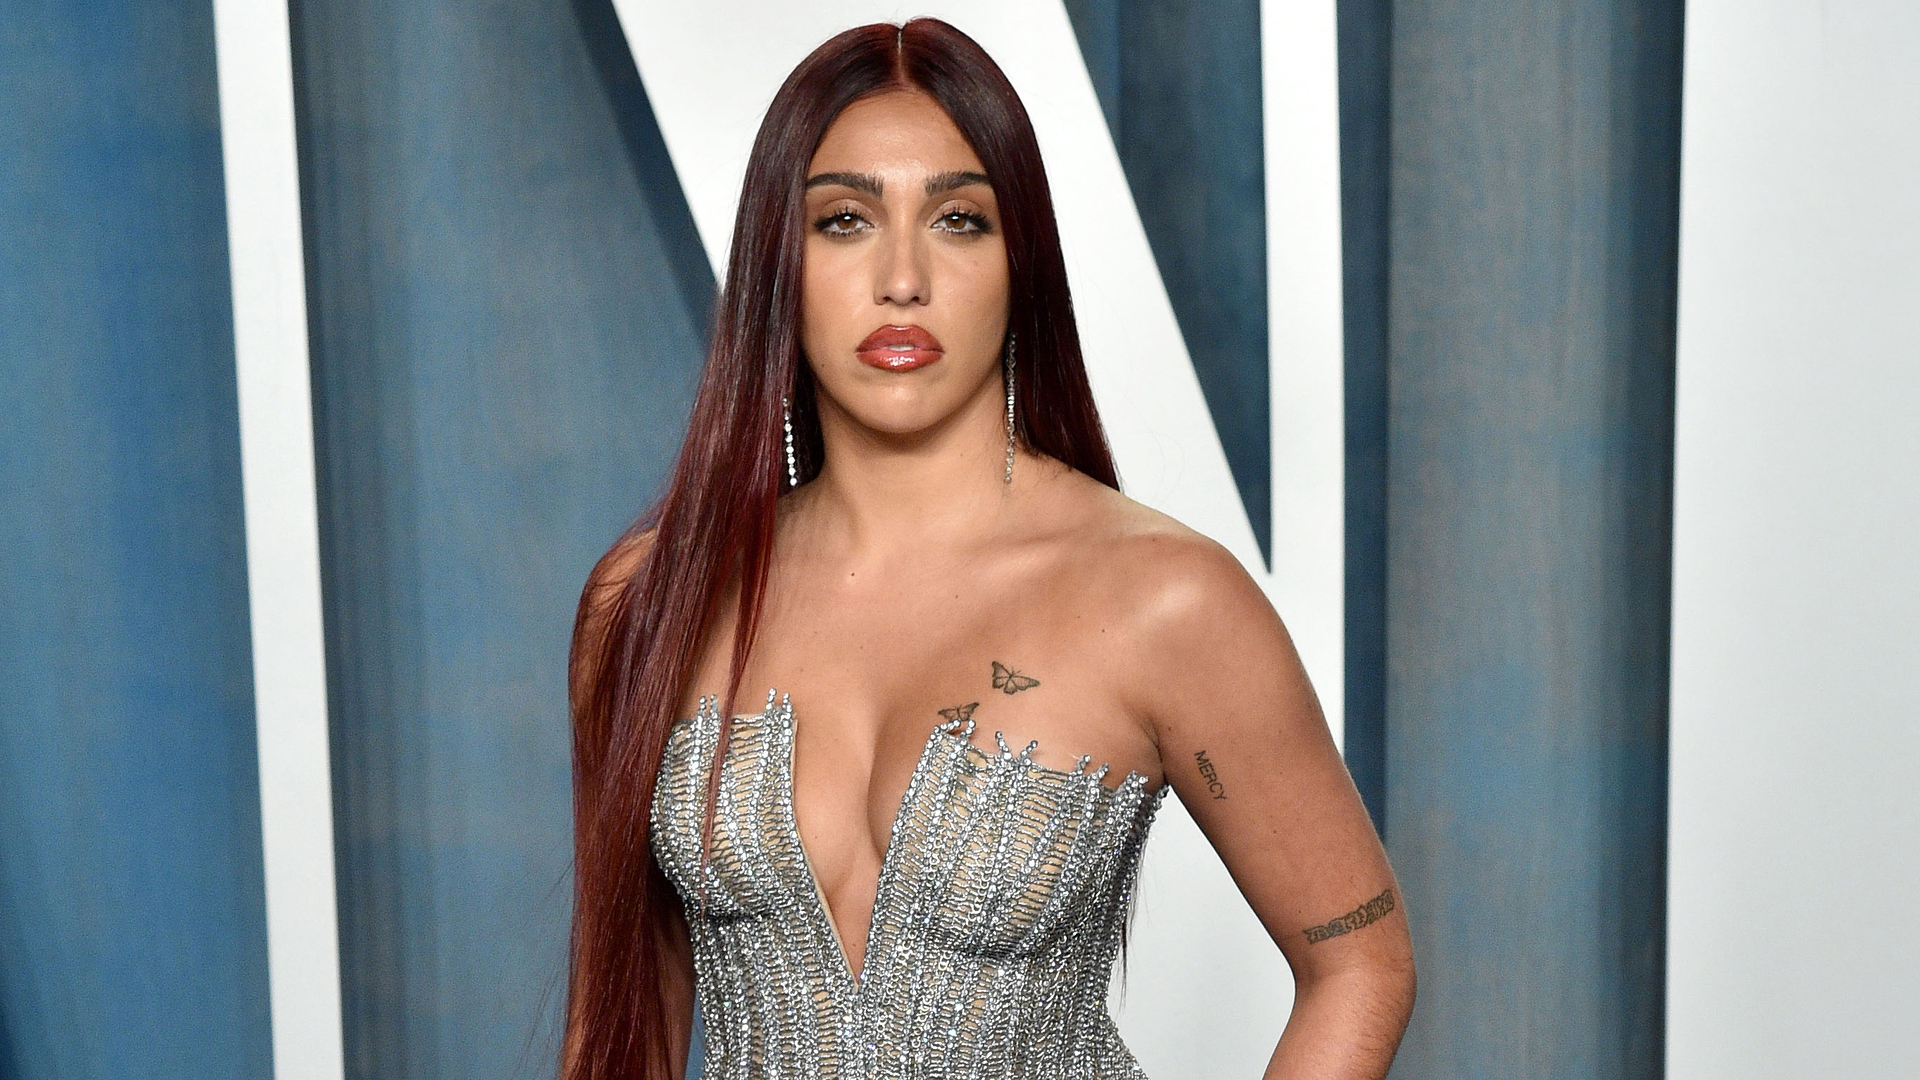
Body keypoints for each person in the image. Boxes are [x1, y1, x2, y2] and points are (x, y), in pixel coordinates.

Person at [564, 18, 1413, 1080]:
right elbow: (620, 1027)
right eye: (844, 221)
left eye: (958, 219)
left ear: (1022, 264)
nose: (902, 278)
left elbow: (1361, 963)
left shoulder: (1165, 599)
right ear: (781, 262)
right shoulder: (651, 599)